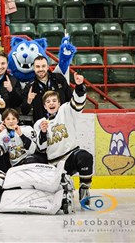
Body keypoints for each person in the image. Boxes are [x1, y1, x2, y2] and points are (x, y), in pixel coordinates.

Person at [34, 72, 93, 206]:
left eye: (54, 101)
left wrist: (79, 87)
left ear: (59, 103)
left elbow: (77, 103)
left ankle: (84, 187)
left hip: (71, 156)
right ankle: (64, 191)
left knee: (86, 157)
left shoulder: (66, 110)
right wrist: (43, 133)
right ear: (44, 106)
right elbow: (40, 148)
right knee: (62, 198)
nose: (51, 103)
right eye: (48, 102)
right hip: (55, 164)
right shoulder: (40, 123)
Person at [21, 56, 72, 123]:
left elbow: (70, 99)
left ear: (47, 67)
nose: (41, 69)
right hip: (43, 126)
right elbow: (24, 111)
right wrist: (29, 101)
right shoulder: (30, 86)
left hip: (62, 122)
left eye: (43, 66)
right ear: (34, 68)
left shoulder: (59, 79)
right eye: (38, 66)